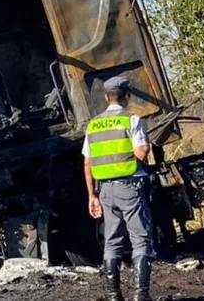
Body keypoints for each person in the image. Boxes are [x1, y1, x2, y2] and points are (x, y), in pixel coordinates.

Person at [83, 76, 155, 301]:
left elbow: (87, 162)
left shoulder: (93, 125)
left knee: (112, 240)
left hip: (105, 191)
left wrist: (91, 196)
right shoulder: (131, 120)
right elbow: (142, 152)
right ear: (127, 96)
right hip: (130, 188)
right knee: (140, 238)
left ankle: (113, 295)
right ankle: (141, 295)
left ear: (106, 97)